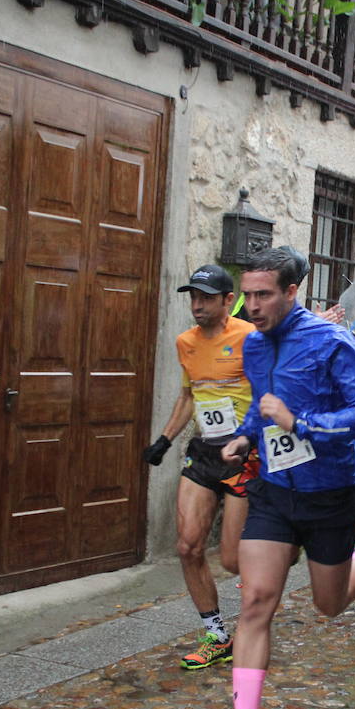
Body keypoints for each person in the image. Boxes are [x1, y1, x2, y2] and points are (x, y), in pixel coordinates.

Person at [195, 248, 355, 709]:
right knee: (256, 600)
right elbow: (262, 404)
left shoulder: (333, 342)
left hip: (329, 493)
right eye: (247, 295)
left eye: (262, 295)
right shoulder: (254, 347)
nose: (250, 306)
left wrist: (300, 423)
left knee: (328, 604)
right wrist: (245, 435)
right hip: (274, 492)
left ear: (291, 292)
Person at [145, 265, 258, 669]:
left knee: (231, 559)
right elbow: (189, 395)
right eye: (193, 297)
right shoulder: (186, 342)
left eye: (206, 298)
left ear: (229, 300)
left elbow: (270, 392)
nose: (197, 305)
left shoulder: (249, 338)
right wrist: (164, 439)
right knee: (187, 546)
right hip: (204, 451)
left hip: (244, 456)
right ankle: (217, 634)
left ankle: (258, 609)